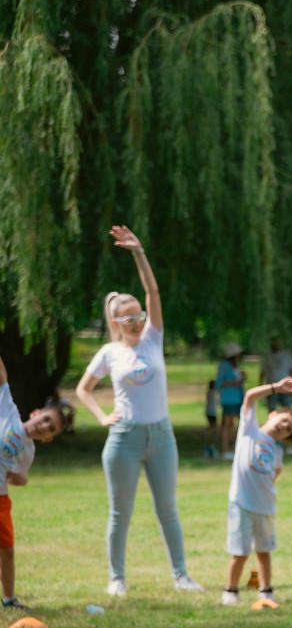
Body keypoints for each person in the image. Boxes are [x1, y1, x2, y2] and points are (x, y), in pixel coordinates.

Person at [76, 225, 205, 597]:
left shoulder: (154, 337)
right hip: (125, 440)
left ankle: (181, 576)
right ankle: (117, 578)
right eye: (128, 318)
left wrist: (138, 252)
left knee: (168, 509)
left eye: (139, 316)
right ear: (115, 322)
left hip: (162, 437)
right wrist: (102, 417)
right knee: (121, 514)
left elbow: (153, 290)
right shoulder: (109, 353)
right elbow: (84, 390)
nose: (137, 322)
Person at [221, 376, 292, 606]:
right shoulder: (250, 429)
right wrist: (276, 387)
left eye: (289, 429)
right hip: (241, 502)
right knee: (240, 551)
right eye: (285, 420)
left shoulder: (277, 452)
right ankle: (231, 590)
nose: (284, 426)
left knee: (264, 551)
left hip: (264, 506)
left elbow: (274, 475)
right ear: (273, 414)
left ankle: (266, 590)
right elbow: (248, 397)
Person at [0, 354, 71, 610]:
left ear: (48, 439)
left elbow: (21, 475)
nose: (44, 426)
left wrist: (21, 479)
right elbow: (3, 377)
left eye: (50, 429)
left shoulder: (28, 452)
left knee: (7, 549)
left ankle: (9, 599)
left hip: (1, 498)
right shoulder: (8, 411)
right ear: (36, 412)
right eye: (45, 419)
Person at [215, 343, 246, 460]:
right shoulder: (223, 366)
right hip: (229, 398)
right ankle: (226, 450)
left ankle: (237, 448)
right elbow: (219, 382)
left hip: (239, 397)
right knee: (227, 424)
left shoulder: (235, 366)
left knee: (240, 423)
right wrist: (233, 383)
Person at [261, 337, 292, 412]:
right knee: (272, 409)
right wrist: (261, 386)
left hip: (286, 386)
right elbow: (263, 372)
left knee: (288, 409)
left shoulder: (286, 355)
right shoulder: (267, 356)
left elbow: (291, 370)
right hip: (272, 386)